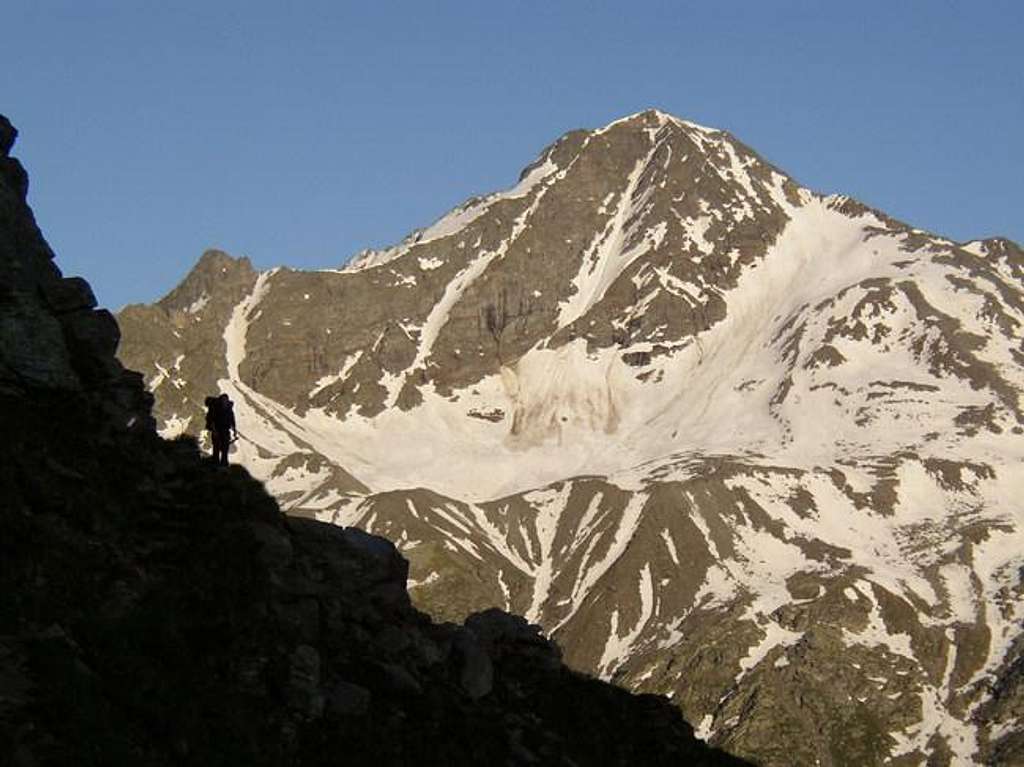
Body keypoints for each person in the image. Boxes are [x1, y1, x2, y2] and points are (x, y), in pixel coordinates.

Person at [205, 393, 237, 466]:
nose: (224, 402)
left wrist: (234, 429)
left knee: (223, 448)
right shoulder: (217, 408)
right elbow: (212, 420)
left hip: (223, 431)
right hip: (218, 430)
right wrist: (214, 430)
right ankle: (219, 464)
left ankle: (221, 464)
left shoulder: (228, 408)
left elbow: (232, 419)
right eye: (223, 400)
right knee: (218, 448)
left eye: (225, 400)